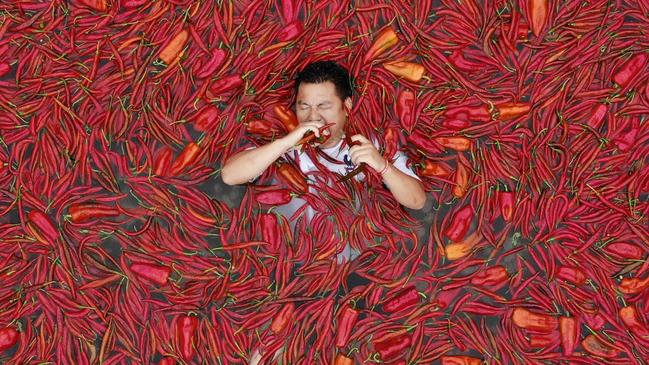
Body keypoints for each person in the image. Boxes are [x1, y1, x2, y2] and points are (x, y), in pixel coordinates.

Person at [221, 60, 426, 213]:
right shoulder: (282, 146)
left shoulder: (371, 145)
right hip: (291, 257)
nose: (313, 116)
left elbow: (417, 201)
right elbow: (230, 176)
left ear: (346, 106)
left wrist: (382, 166)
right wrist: (285, 143)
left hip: (355, 258)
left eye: (323, 106)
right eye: (304, 107)